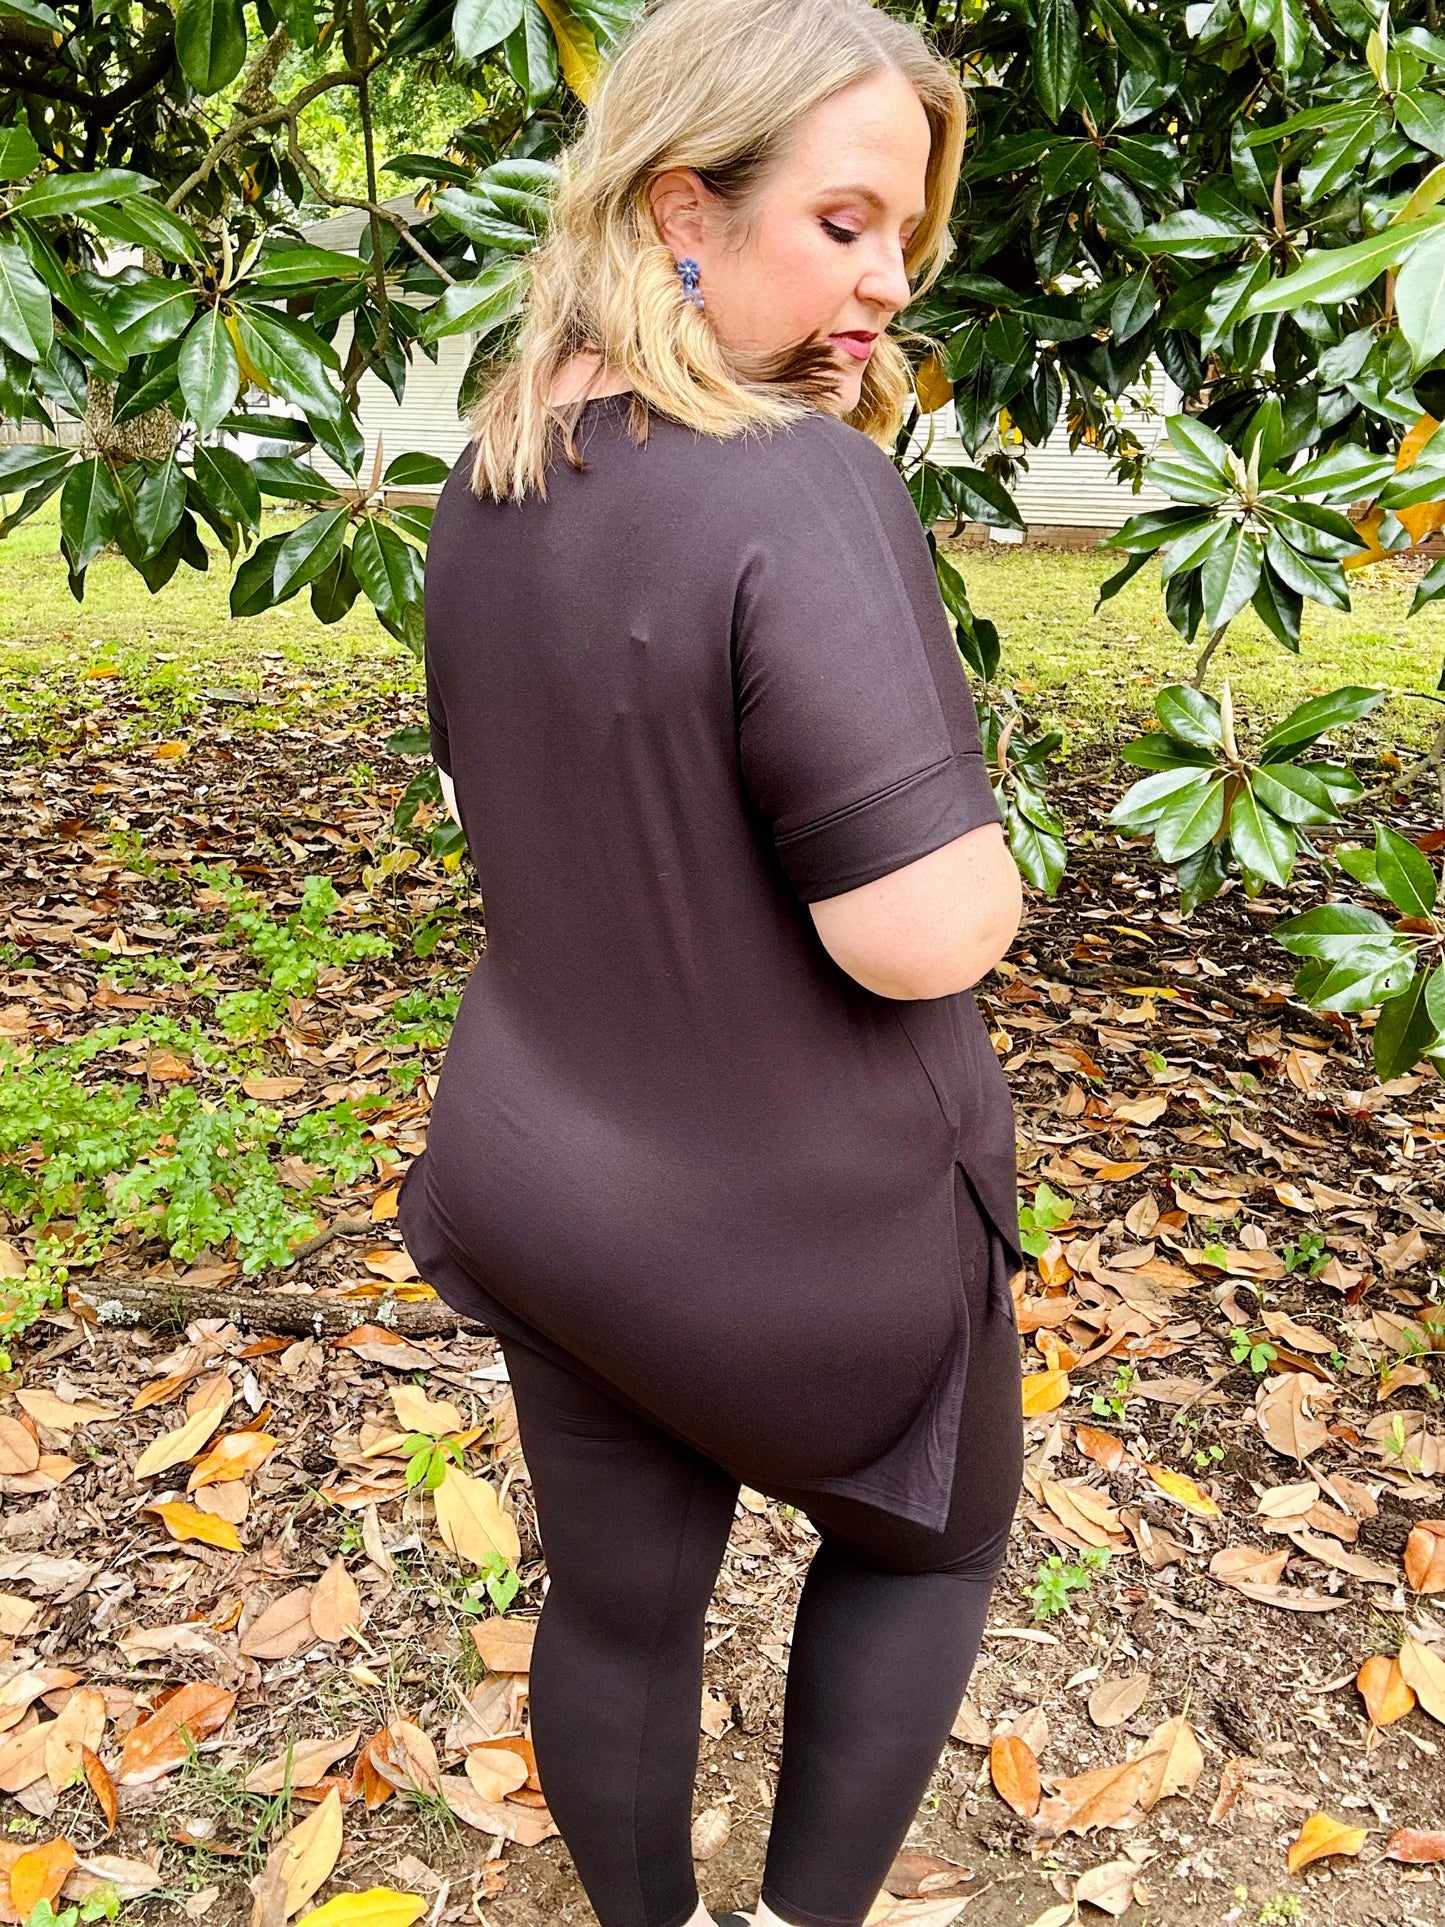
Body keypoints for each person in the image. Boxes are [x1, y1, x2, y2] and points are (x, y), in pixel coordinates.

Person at [398, 3, 1026, 1925]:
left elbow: (491, 793)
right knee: (926, 1552)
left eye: (901, 234)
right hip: (802, 1238)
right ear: (682, 209)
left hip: (547, 1182)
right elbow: (917, 927)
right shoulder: (797, 483)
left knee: (619, 1605)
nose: (886, 282)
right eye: (842, 223)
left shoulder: (492, 473)